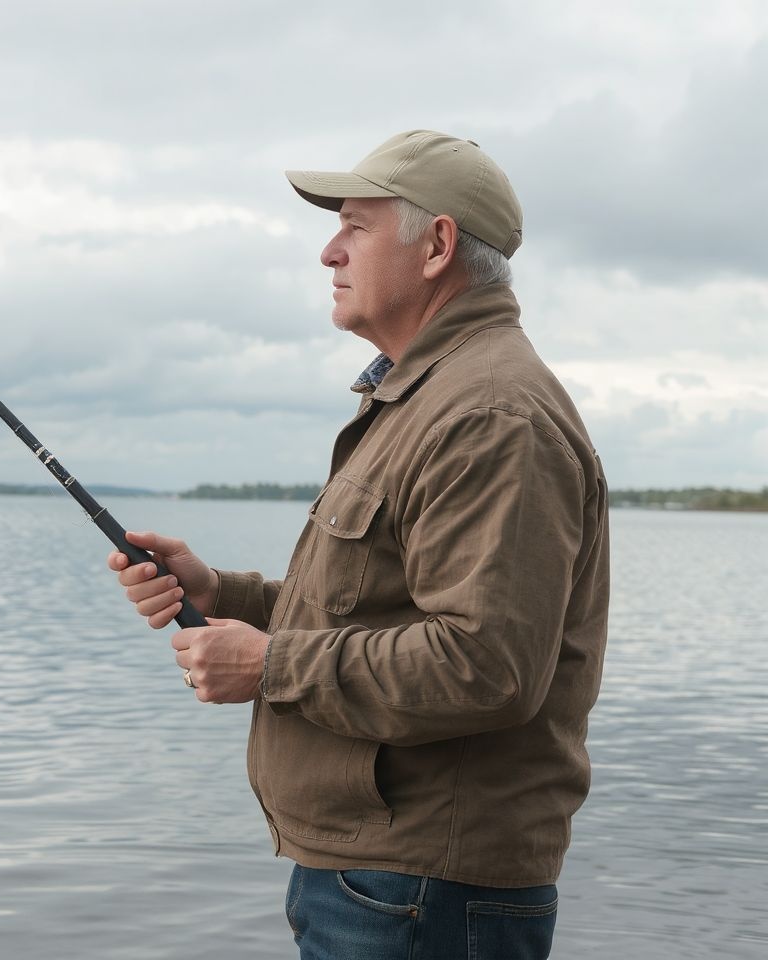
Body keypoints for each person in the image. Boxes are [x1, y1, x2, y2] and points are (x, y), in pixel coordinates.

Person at [108, 130, 609, 960]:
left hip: (419, 894)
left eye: (354, 225)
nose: (327, 250)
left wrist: (267, 664)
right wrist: (221, 595)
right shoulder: (431, 397)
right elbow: (378, 608)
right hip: (386, 884)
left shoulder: (488, 414)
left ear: (437, 245)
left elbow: (487, 667)